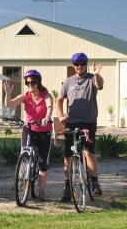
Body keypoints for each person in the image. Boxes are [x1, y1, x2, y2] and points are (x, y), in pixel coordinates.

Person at [56, 52, 104, 202]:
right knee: (68, 156)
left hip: (88, 122)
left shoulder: (91, 79)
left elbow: (100, 85)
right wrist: (61, 115)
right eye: (76, 64)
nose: (79, 67)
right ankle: (68, 186)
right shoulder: (68, 81)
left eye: (82, 64)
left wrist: (97, 74)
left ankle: (94, 182)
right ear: (73, 66)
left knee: (88, 152)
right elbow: (59, 100)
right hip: (72, 122)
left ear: (86, 64)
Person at [3, 69, 53, 200]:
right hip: (28, 128)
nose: (30, 84)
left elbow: (49, 108)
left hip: (44, 130)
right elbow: (9, 104)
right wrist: (7, 93)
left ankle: (42, 191)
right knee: (24, 154)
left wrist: (47, 118)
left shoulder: (46, 95)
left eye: (33, 82)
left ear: (38, 82)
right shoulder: (25, 96)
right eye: (27, 82)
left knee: (42, 163)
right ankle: (23, 180)